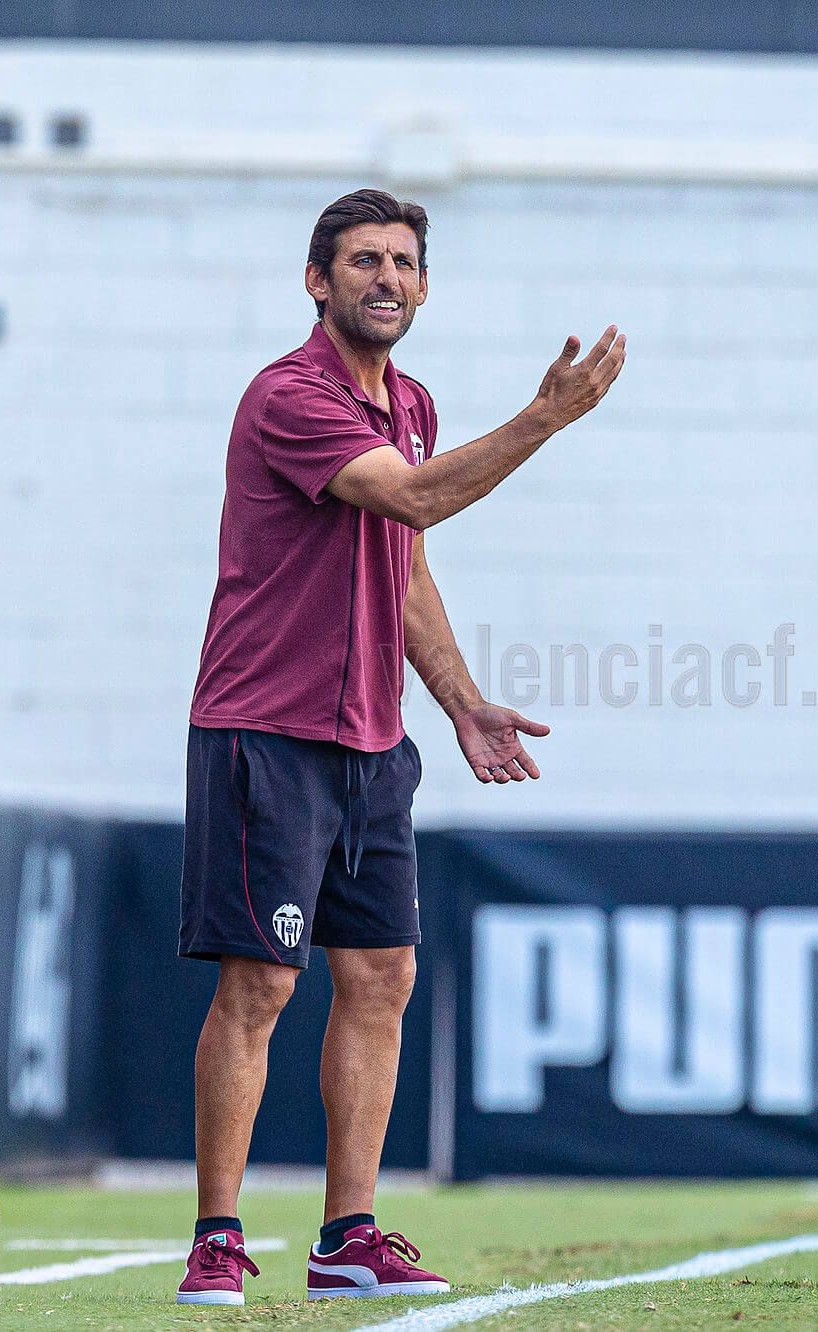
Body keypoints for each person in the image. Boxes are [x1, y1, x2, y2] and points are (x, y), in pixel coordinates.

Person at [176, 188, 626, 1306]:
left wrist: (461, 700)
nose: (387, 277)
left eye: (405, 263)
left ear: (424, 287)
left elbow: (404, 563)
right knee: (262, 984)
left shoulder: (410, 400)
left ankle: (348, 1236)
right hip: (265, 729)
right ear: (318, 283)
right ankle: (219, 1238)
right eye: (364, 260)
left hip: (373, 739)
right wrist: (545, 419)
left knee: (381, 977)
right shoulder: (291, 396)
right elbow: (415, 500)